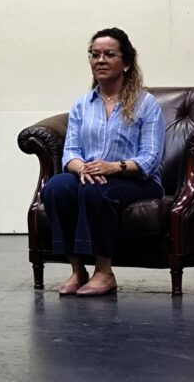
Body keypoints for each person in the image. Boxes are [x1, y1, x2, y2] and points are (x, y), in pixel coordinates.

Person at [40, 28, 165, 296]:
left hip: (136, 179)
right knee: (56, 188)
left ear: (126, 62)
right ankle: (77, 270)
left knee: (95, 190)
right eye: (95, 55)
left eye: (109, 54)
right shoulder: (82, 104)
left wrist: (114, 167)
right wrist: (82, 168)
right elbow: (70, 151)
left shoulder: (146, 104)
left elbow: (150, 158)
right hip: (90, 174)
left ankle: (104, 272)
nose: (100, 60)